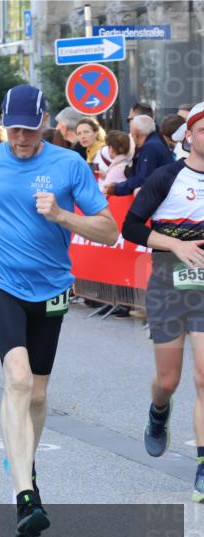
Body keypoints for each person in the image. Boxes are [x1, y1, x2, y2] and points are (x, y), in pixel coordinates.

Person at [0, 85, 118, 537]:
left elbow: (109, 230)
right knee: (16, 376)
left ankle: (23, 463)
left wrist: (62, 217)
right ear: (2, 124)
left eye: (29, 130)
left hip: (52, 287)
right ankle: (24, 494)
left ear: (45, 123)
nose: (20, 139)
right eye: (13, 129)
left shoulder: (68, 164)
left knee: (36, 392)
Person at [119, 101, 204, 503]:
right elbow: (131, 226)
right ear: (188, 135)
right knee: (168, 380)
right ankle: (158, 411)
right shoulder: (165, 177)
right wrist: (176, 244)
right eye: (202, 129)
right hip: (168, 284)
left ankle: (203, 467)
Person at [105, 115, 173, 196]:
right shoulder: (156, 142)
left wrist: (117, 188)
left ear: (137, 134)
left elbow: (143, 179)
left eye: (132, 134)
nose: (131, 137)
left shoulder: (150, 147)